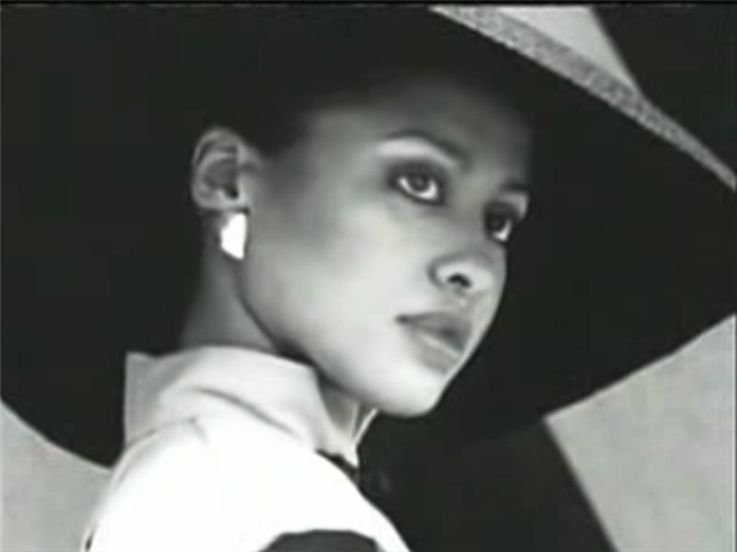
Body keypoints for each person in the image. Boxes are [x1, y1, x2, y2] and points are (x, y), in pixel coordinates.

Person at [64, 6, 732, 552]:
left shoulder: (192, 487)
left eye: (499, 222)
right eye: (418, 182)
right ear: (227, 178)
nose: (475, 267)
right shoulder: (261, 502)